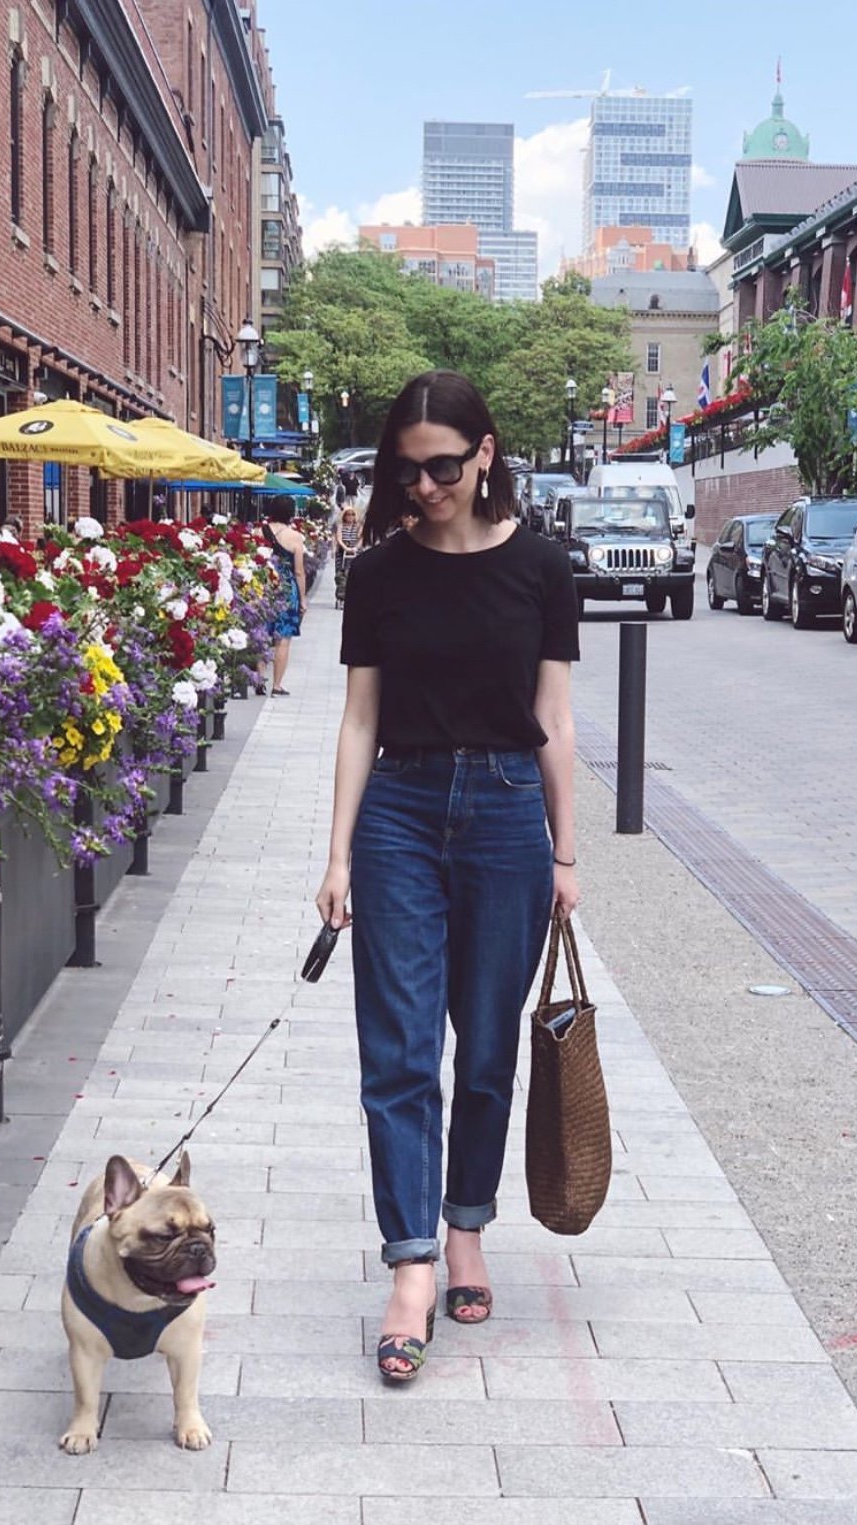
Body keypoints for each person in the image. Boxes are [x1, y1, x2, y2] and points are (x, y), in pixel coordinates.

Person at [315, 369, 581, 1385]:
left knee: (484, 1051)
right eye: (404, 468)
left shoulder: (544, 570)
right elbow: (358, 719)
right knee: (397, 1051)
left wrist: (566, 851)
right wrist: (337, 852)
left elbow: (554, 720)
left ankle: (466, 1225)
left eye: (439, 465)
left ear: (485, 452)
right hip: (400, 814)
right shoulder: (380, 575)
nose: (421, 484)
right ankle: (413, 1267)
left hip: (510, 812)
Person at [257, 496, 306, 696]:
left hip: (263, 585)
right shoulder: (295, 537)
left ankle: (259, 680)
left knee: (260, 635)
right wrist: (303, 599)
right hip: (286, 590)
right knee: (283, 639)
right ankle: (276, 685)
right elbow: (300, 572)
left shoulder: (258, 531)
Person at [332, 504, 362, 608]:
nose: (350, 516)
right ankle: (340, 597)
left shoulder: (358, 526)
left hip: (355, 551)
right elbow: (339, 538)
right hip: (342, 552)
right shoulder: (341, 525)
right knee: (341, 575)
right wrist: (345, 548)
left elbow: (361, 538)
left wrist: (355, 548)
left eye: (352, 514)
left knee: (354, 574)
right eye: (348, 514)